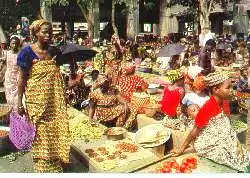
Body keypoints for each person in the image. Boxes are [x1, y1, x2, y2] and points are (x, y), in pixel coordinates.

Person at [16, 19, 70, 173]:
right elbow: (21, 79)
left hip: (54, 100)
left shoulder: (53, 51)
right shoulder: (26, 52)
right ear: (35, 33)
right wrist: (20, 102)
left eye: (50, 32)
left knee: (55, 128)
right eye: (44, 31)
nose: (48, 34)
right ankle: (42, 164)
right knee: (40, 131)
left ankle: (55, 160)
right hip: (36, 100)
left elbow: (59, 73)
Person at [171, 72, 250, 172]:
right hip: (207, 141)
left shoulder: (224, 101)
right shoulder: (208, 107)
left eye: (232, 87)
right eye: (228, 87)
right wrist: (181, 148)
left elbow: (226, 121)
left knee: (240, 151)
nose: (231, 90)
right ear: (216, 90)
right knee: (229, 154)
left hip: (221, 135)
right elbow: (195, 130)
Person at [4, 36, 21, 108]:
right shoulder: (6, 53)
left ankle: (17, 116)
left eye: (16, 44)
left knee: (17, 98)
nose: (14, 45)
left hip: (17, 77)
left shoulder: (20, 54)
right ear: (10, 44)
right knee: (9, 97)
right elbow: (3, 65)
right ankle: (10, 116)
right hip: (8, 78)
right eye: (13, 43)